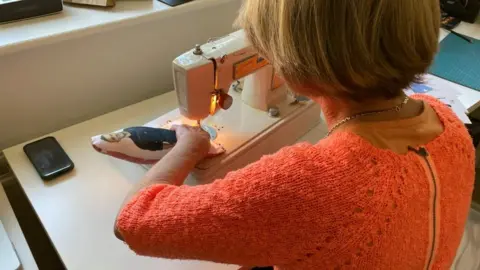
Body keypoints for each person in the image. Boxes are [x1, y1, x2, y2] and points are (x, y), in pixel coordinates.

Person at [114, 0, 475, 269]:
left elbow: (134, 223)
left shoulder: (310, 185)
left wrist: (188, 146)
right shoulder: (452, 126)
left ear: (294, 64)